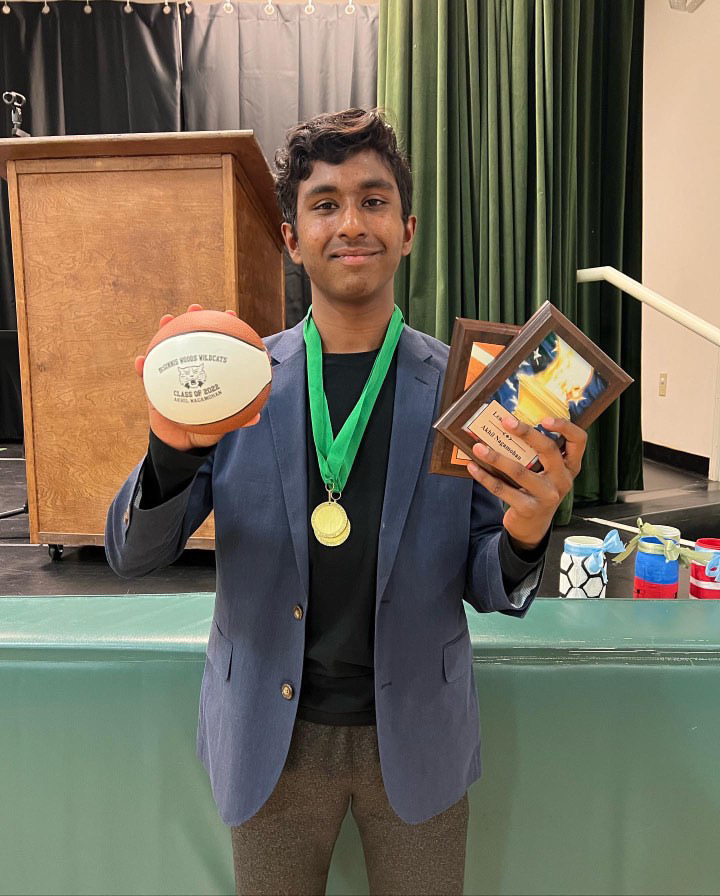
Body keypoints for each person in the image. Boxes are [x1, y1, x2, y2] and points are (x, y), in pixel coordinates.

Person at [106, 108, 587, 896]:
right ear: (292, 240)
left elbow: (486, 578)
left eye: (373, 200)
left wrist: (526, 537)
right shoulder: (236, 382)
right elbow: (134, 555)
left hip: (419, 735)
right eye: (324, 204)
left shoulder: (470, 391)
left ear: (408, 230)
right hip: (270, 734)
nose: (351, 222)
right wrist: (171, 445)